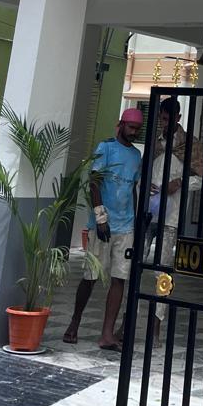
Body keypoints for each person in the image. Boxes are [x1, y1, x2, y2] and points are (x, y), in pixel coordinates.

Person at [62, 106, 143, 350]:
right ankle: (75, 321)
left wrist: (136, 220)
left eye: (138, 129)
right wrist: (100, 217)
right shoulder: (105, 148)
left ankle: (107, 334)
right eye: (131, 127)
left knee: (120, 278)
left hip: (126, 226)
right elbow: (94, 183)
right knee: (91, 277)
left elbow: (132, 188)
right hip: (103, 224)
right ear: (122, 125)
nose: (134, 132)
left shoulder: (136, 156)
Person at [147, 97, 203, 343]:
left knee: (162, 271)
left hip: (171, 215)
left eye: (169, 119)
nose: (165, 123)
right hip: (148, 213)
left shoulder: (190, 145)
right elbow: (145, 170)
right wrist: (147, 185)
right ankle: (126, 322)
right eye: (162, 119)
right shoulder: (155, 142)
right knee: (133, 266)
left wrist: (178, 183)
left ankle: (156, 324)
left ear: (178, 118)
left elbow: (200, 178)